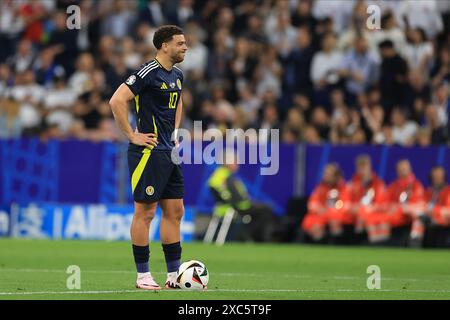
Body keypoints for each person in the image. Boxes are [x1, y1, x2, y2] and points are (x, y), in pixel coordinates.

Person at [109, 25, 188, 290]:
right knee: (145, 212)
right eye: (180, 43)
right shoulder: (147, 72)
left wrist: (175, 132)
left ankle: (173, 276)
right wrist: (132, 135)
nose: (185, 47)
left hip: (169, 151)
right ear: (164, 46)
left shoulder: (177, 75)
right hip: (148, 151)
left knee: (175, 212)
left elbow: (178, 103)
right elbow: (117, 101)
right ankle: (143, 276)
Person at [208, 150, 275, 242]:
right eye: (235, 161)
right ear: (228, 162)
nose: (237, 164)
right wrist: (243, 201)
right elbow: (235, 197)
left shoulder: (220, 174)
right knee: (266, 209)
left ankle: (247, 235)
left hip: (228, 207)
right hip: (237, 207)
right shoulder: (226, 177)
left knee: (263, 209)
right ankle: (252, 236)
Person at [301, 163, 351, 243]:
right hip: (323, 213)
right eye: (325, 173)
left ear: (335, 175)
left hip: (338, 214)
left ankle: (337, 244)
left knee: (335, 221)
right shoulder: (321, 187)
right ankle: (320, 245)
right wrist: (319, 209)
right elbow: (312, 204)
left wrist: (333, 210)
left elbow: (346, 205)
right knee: (314, 224)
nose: (325, 176)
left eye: (328, 174)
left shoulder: (343, 187)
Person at [385, 159, 425, 246]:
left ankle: (414, 242)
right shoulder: (393, 186)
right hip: (395, 219)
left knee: (418, 218)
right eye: (400, 169)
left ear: (409, 169)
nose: (402, 171)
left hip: (409, 219)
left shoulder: (416, 185)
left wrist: (403, 208)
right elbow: (386, 202)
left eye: (404, 169)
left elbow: (418, 206)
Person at [347, 155, 387, 243]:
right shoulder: (352, 184)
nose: (362, 170)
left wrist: (370, 208)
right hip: (357, 212)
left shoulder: (378, 183)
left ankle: (379, 244)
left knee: (377, 220)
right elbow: (346, 201)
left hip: (373, 211)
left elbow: (381, 202)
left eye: (364, 166)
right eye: (360, 167)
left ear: (369, 167)